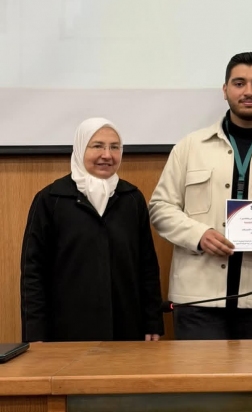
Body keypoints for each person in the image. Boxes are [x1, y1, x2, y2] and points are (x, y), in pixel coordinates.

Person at [149, 51, 252, 340]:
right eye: (239, 83)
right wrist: (199, 235)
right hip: (198, 298)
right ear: (225, 90)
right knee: (200, 372)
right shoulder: (190, 147)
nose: (249, 91)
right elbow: (161, 207)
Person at [21, 118, 163, 342]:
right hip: (66, 331)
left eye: (114, 147)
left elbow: (147, 267)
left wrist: (152, 322)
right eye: (97, 146)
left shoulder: (131, 198)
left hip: (126, 328)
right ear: (80, 148)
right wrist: (35, 333)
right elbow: (33, 272)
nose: (107, 155)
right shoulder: (50, 199)